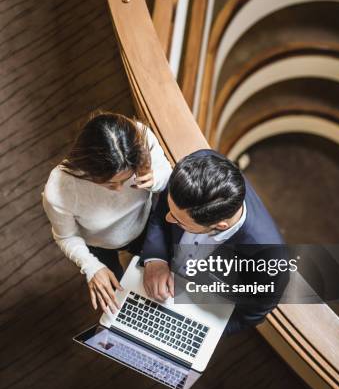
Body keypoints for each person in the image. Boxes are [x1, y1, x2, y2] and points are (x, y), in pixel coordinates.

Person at [142, 149, 288, 335]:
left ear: (219, 226)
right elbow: (162, 212)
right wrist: (156, 259)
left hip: (202, 311)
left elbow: (253, 313)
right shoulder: (194, 168)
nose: (169, 218)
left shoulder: (269, 260)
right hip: (156, 280)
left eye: (180, 222)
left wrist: (205, 333)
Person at [42, 111, 172, 314]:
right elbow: (66, 236)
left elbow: (168, 177)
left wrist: (154, 179)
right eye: (110, 184)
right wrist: (91, 267)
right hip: (99, 244)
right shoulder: (59, 190)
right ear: (88, 170)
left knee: (168, 283)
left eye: (126, 180)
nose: (120, 189)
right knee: (118, 303)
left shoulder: (141, 139)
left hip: (144, 222)